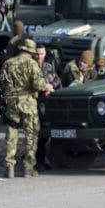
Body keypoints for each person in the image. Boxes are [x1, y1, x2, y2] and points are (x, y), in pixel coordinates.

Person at [1, 38, 54, 178]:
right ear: (30, 51)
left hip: (13, 103)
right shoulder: (32, 64)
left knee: (11, 134)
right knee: (31, 135)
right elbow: (37, 84)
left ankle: (9, 167)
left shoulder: (8, 63)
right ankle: (28, 168)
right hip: (28, 103)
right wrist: (46, 85)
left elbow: (3, 83)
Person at [35, 43, 62, 172]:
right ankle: (37, 162)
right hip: (33, 104)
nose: (39, 57)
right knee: (36, 135)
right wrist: (42, 87)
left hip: (45, 104)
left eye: (41, 54)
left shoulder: (48, 66)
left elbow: (57, 80)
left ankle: (45, 160)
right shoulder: (30, 66)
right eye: (37, 54)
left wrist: (51, 85)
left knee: (44, 135)